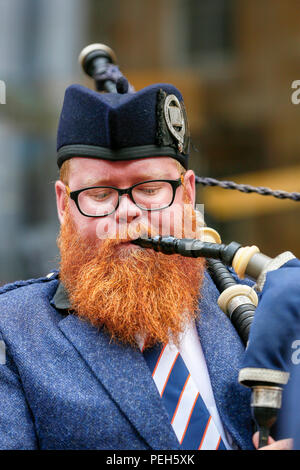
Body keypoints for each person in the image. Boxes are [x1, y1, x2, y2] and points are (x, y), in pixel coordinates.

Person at [0, 80, 292, 450]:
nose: (127, 212)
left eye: (150, 189)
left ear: (188, 194)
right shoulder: (11, 333)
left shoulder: (255, 307)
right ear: (63, 206)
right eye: (100, 194)